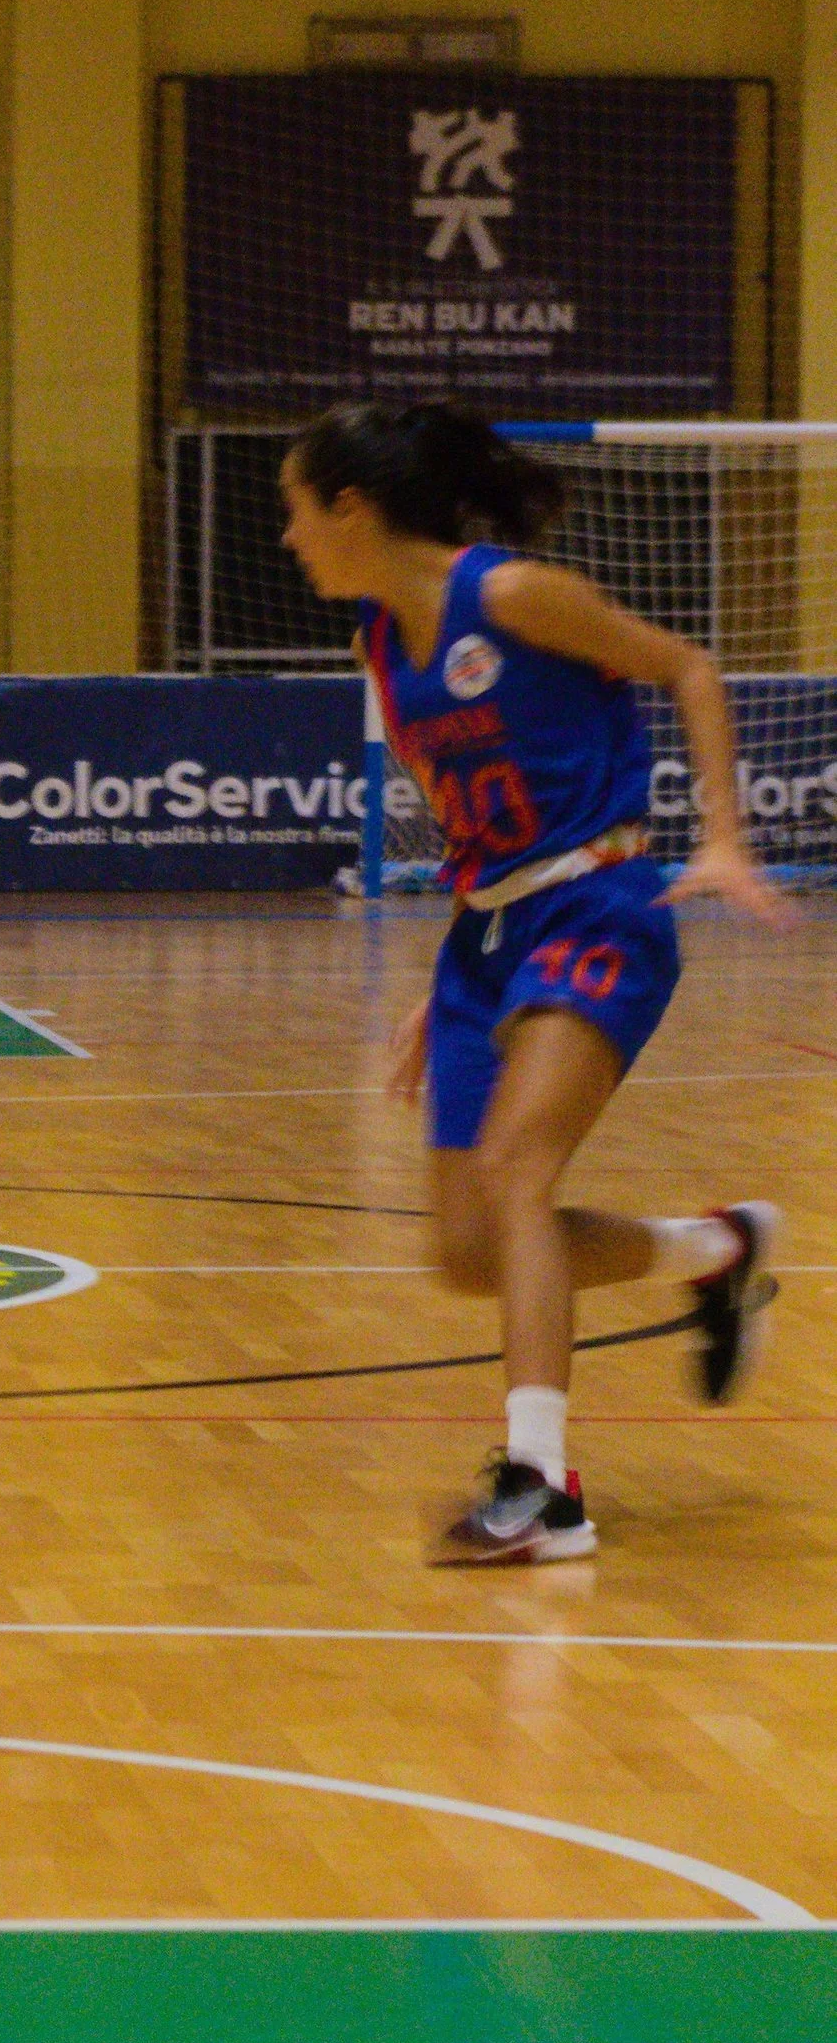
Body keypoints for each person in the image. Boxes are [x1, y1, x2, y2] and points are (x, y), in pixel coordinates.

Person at [280, 398, 786, 1565]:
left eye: (297, 513)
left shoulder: (506, 595)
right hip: (488, 935)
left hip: (597, 905)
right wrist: (448, 969)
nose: (290, 538)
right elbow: (475, 817)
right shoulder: (376, 641)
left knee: (517, 1171)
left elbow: (687, 669)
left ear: (351, 509)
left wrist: (720, 839)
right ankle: (716, 1252)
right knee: (466, 1249)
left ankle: (540, 1485)